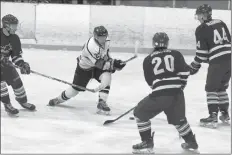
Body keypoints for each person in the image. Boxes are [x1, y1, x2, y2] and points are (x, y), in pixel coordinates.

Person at [132, 32, 198, 154]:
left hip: (160, 95)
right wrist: (179, 87)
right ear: (167, 43)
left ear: (153, 43)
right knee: (178, 120)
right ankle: (191, 142)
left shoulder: (148, 59)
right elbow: (185, 73)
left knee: (139, 112)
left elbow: (150, 82)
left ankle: (147, 142)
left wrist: (160, 88)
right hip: (177, 93)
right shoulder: (176, 54)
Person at [48, 26, 126, 115]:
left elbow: (106, 55)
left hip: (97, 66)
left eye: (105, 36)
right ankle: (58, 99)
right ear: (96, 37)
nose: (104, 38)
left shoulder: (106, 40)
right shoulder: (91, 46)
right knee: (74, 90)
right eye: (101, 37)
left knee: (107, 76)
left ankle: (102, 102)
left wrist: (115, 63)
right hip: (85, 68)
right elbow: (99, 64)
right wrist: (112, 65)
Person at [189, 4, 231, 128]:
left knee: (211, 89)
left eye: (199, 15)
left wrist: (194, 66)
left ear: (203, 15)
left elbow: (201, 54)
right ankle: (225, 114)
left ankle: (213, 116)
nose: (198, 18)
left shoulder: (201, 29)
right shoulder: (221, 22)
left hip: (218, 62)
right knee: (221, 88)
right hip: (230, 59)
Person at [1, 14, 36, 115]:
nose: (15, 28)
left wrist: (22, 64)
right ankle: (7, 104)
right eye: (13, 25)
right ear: (6, 26)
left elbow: (16, 56)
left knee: (18, 83)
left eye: (16, 25)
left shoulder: (15, 38)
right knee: (1, 86)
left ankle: (23, 101)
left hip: (6, 64)